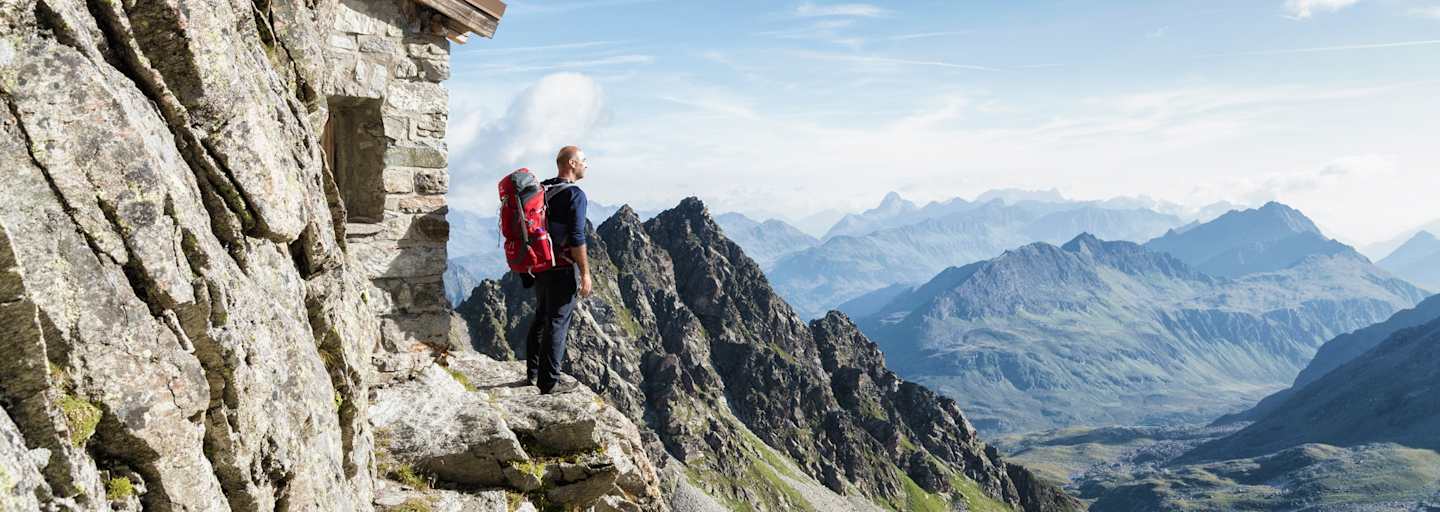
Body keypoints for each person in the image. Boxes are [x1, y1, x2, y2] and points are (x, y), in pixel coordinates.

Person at [524, 146, 593, 394]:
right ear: (572, 164)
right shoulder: (575, 194)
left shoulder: (542, 189)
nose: (587, 165)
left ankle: (532, 374)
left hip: (540, 265)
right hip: (561, 267)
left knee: (541, 316)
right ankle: (549, 383)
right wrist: (585, 273)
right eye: (584, 160)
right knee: (557, 322)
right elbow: (576, 236)